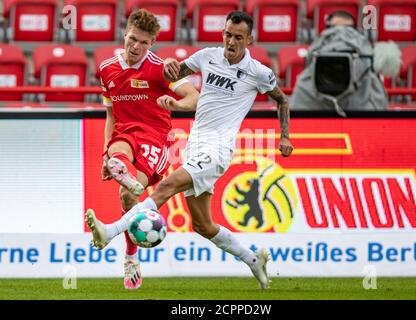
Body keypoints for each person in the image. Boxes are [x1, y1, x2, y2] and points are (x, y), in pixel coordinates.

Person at [86, 10, 293, 290]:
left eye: (238, 38)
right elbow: (173, 73)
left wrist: (285, 137)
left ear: (249, 39)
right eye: (228, 35)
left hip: (219, 146)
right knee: (203, 225)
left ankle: (110, 231)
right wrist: (172, 65)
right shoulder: (207, 56)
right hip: (196, 143)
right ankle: (253, 259)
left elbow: (282, 100)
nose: (231, 42)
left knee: (166, 186)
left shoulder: (259, 72)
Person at [97, 9, 199, 290]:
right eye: (132, 39)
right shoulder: (106, 68)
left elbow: (194, 97)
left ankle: (131, 255)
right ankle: (119, 167)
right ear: (124, 34)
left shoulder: (160, 68)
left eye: (142, 42)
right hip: (124, 132)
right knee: (119, 156)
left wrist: (175, 105)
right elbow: (110, 116)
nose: (135, 46)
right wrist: (105, 155)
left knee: (128, 198)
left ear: (152, 43)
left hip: (154, 138)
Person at [290, 10, 400, 114]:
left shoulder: (366, 61)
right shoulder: (314, 57)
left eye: (348, 29)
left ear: (355, 31)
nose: (340, 34)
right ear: (326, 29)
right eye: (333, 29)